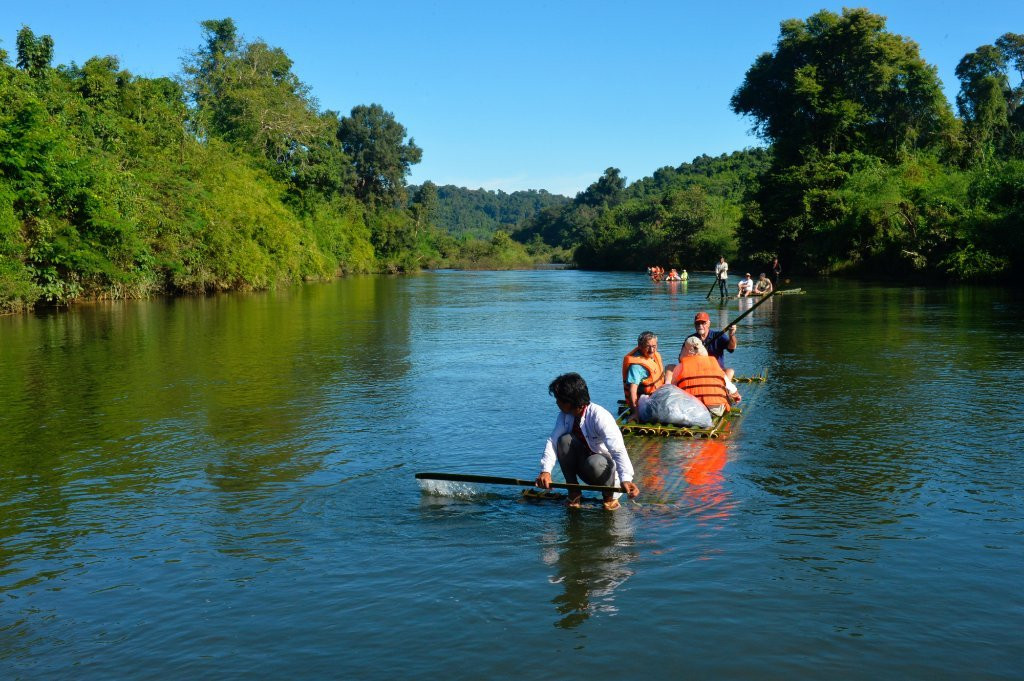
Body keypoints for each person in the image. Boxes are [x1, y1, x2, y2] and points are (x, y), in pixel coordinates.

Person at [536, 373, 641, 510]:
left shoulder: (599, 416)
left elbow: (617, 450)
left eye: (559, 399)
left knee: (594, 462)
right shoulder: (564, 416)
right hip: (584, 467)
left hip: (603, 469)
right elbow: (552, 441)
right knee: (564, 440)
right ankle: (573, 491)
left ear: (570, 401)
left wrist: (626, 479)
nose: (557, 403)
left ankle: (608, 496)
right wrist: (546, 471)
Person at [669, 337, 737, 417]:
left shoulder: (680, 367)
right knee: (727, 396)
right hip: (715, 411)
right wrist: (736, 395)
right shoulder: (714, 364)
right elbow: (731, 389)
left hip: (691, 411)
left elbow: (673, 389)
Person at [621, 331, 665, 422]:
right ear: (640, 346)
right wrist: (635, 412)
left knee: (671, 368)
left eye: (654, 346)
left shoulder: (655, 356)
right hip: (645, 404)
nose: (651, 350)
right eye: (647, 346)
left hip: (657, 398)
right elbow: (632, 390)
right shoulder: (636, 367)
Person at [687, 311, 737, 381]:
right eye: (697, 323)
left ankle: (724, 389)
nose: (700, 325)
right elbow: (681, 359)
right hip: (698, 372)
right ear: (695, 325)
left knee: (730, 371)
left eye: (703, 323)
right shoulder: (690, 339)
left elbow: (732, 347)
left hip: (717, 371)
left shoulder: (719, 336)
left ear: (709, 324)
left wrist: (731, 335)